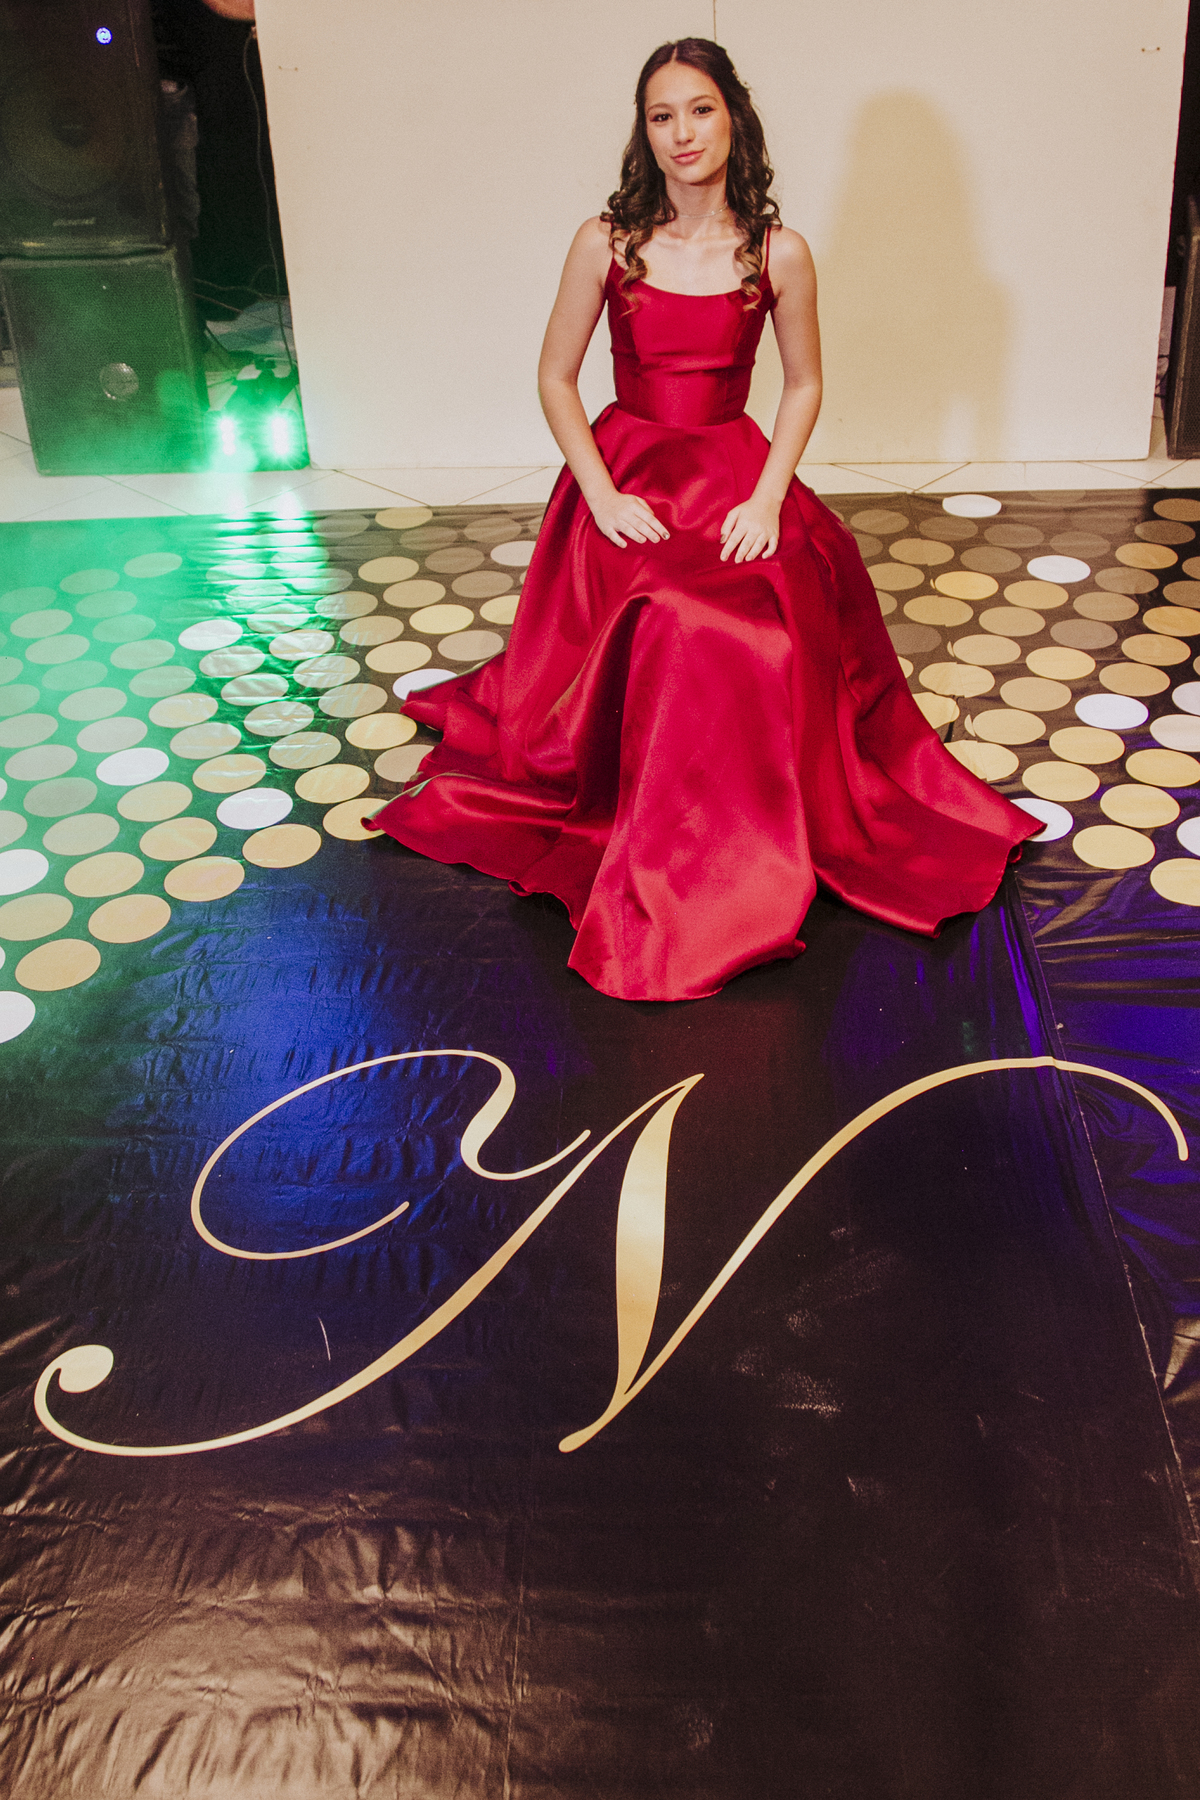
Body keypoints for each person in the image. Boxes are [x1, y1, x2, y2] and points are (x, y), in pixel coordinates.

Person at [372, 39, 1038, 1003]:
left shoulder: (779, 252)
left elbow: (803, 385)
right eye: (661, 115)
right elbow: (555, 377)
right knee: (676, 617)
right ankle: (676, 854)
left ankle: (740, 842)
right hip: (628, 478)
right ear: (644, 133)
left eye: (700, 110)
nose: (681, 132)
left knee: (759, 620)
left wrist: (767, 497)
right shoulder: (606, 243)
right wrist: (601, 495)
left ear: (734, 119)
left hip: (731, 477)